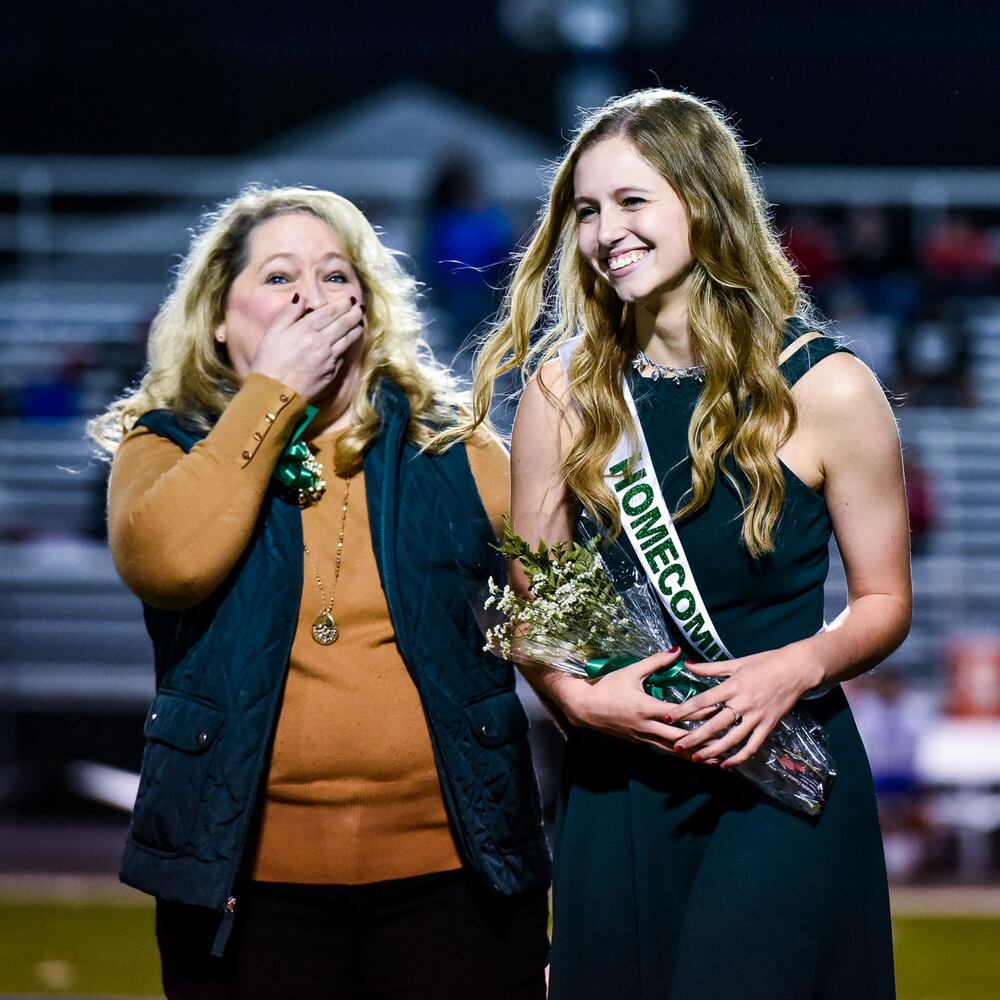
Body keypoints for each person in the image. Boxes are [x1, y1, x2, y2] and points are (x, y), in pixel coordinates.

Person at [464, 89, 909, 999]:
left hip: (777, 775)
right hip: (619, 784)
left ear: (703, 203)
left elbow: (884, 604)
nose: (604, 232)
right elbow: (538, 605)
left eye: (633, 202)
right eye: (586, 210)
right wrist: (578, 702)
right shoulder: (565, 393)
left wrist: (790, 669)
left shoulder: (827, 388)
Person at [89, 186, 550, 999]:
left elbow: (568, 619)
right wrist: (272, 395)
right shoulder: (165, 445)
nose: (311, 295)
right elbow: (169, 564)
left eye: (337, 276)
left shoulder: (457, 447)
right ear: (219, 320)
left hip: (454, 883)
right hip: (247, 891)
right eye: (278, 277)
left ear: (368, 312)